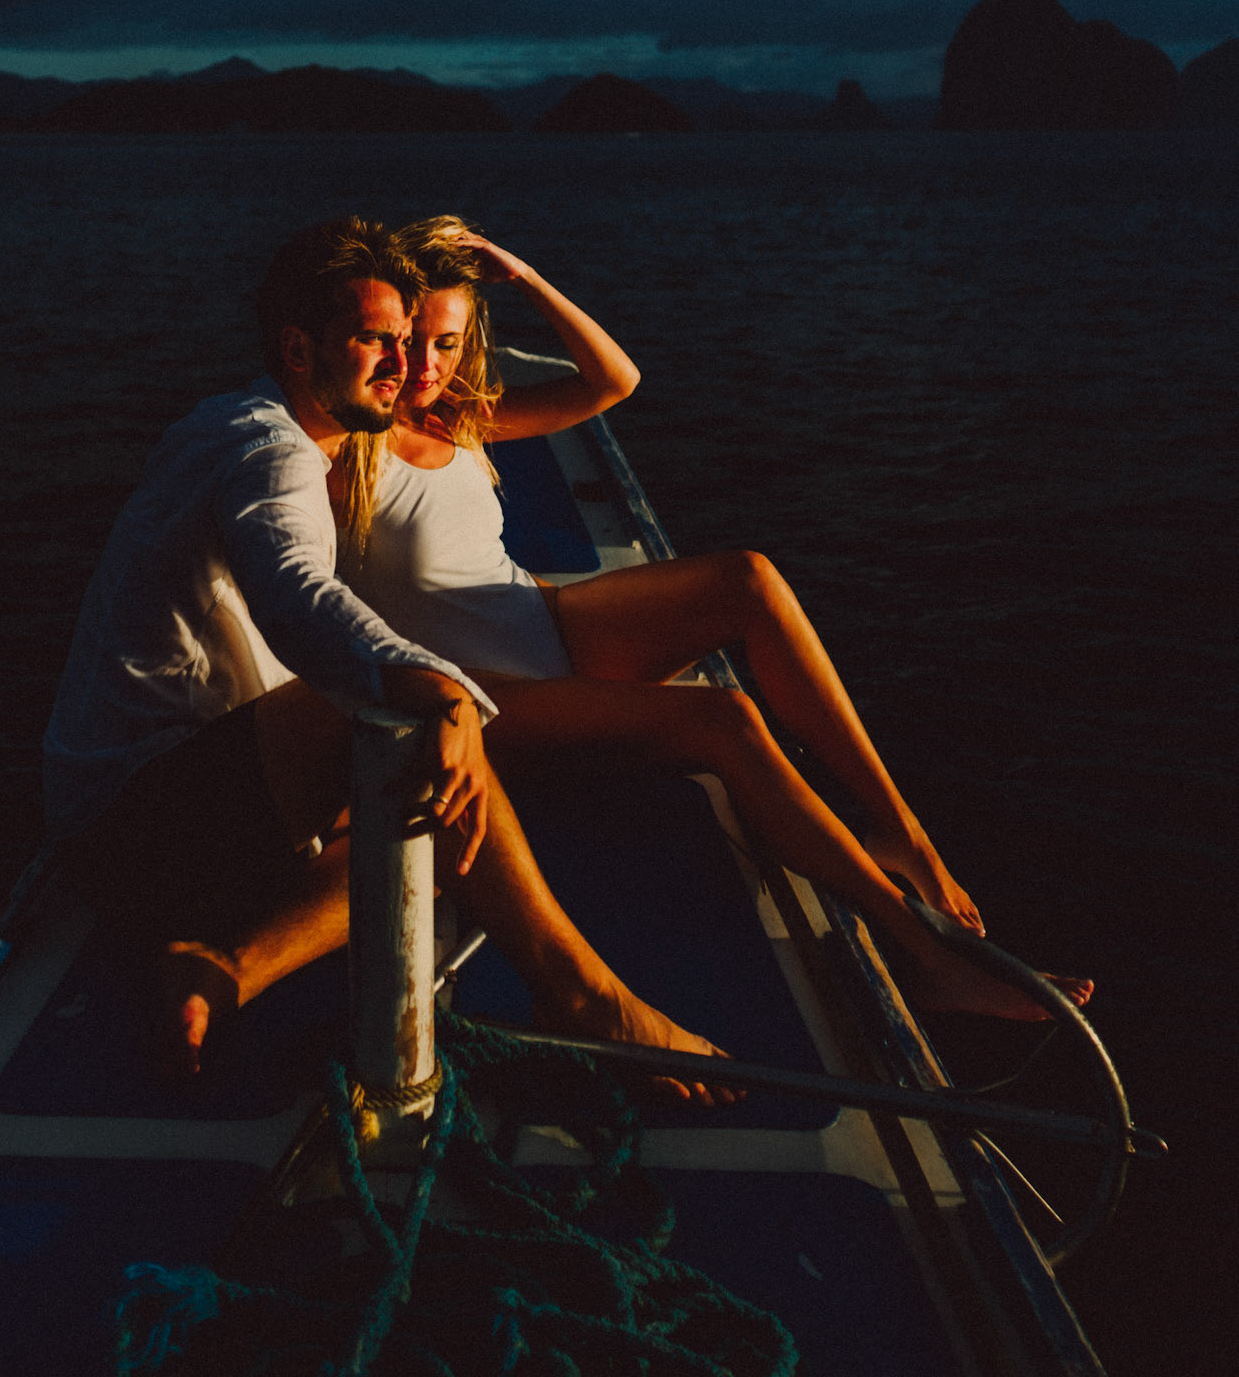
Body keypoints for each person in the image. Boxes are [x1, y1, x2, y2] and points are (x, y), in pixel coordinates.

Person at [334, 217, 1092, 1023]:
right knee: (724, 717)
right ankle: (925, 952)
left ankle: (902, 831)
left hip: (538, 624)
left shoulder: (458, 417)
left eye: (448, 344)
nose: (427, 366)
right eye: (412, 341)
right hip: (486, 699)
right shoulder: (342, 441)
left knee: (749, 579)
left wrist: (520, 275)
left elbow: (613, 381)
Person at [42, 217, 735, 1096]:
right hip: (136, 826)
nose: (404, 366)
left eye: (406, 342)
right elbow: (295, 591)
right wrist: (442, 692)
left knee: (443, 825)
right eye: (374, 341)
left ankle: (224, 965)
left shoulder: (233, 420)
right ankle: (585, 995)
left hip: (172, 821)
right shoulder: (271, 454)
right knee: (413, 727)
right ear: (299, 349)